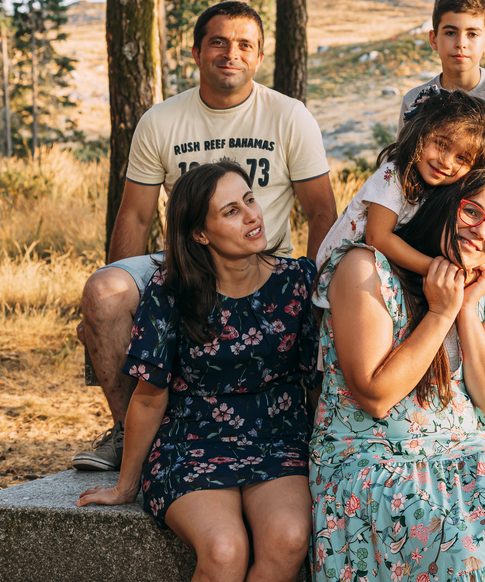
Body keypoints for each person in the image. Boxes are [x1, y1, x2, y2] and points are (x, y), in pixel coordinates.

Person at [74, 0, 337, 473]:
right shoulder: (162, 120)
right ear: (196, 52)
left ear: (259, 56)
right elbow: (134, 216)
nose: (230, 53)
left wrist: (315, 293)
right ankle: (129, 435)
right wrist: (123, 301)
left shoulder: (288, 116)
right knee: (103, 291)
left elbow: (322, 212)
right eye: (218, 42)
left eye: (244, 45)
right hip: (187, 258)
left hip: (262, 263)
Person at [308, 170, 485, 582]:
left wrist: (467, 310)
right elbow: (377, 397)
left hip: (469, 456)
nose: (481, 232)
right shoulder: (365, 269)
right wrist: (440, 313)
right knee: (456, 550)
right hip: (376, 461)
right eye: (472, 211)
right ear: (444, 204)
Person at [77, 160, 321, 582]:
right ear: (200, 233)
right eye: (231, 211)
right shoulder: (172, 289)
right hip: (190, 441)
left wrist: (325, 457)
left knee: (289, 538)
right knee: (225, 551)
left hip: (278, 437)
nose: (251, 216)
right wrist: (126, 485)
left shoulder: (296, 281)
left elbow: (315, 384)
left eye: (249, 200)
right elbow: (150, 396)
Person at [313, 88, 485, 274]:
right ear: (420, 133)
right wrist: (436, 269)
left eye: (461, 158)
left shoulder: (441, 189)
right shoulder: (395, 175)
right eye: (441, 144)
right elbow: (378, 238)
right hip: (337, 273)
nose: (446, 161)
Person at [399, 0, 485, 139]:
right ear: (433, 39)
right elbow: (403, 160)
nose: (460, 43)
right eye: (450, 33)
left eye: (472, 34)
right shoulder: (413, 101)